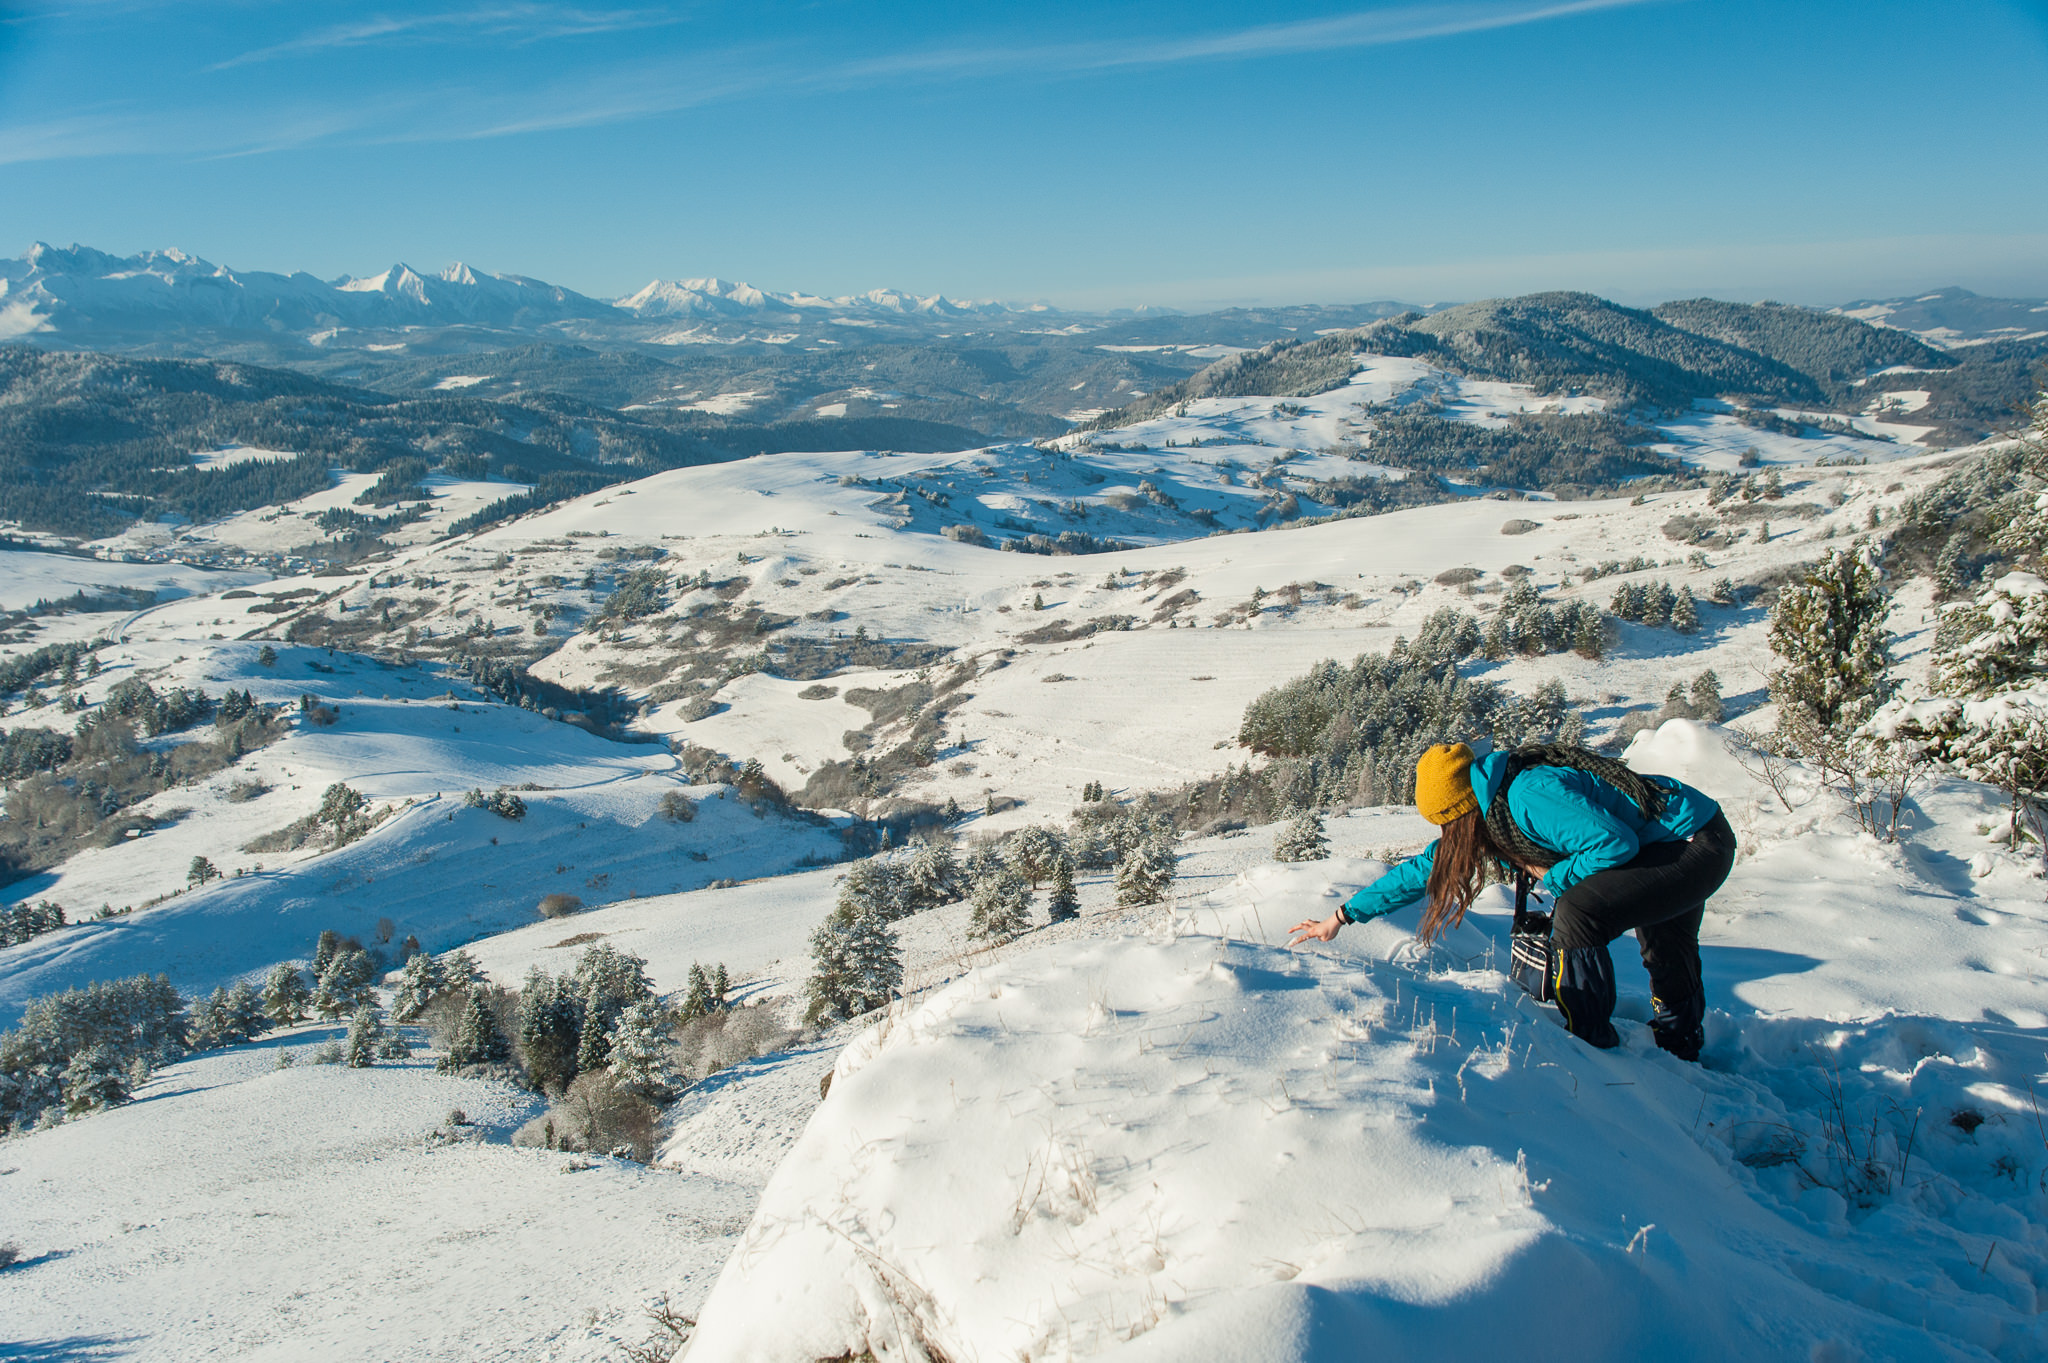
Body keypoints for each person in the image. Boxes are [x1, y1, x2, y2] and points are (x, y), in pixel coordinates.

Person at [1288, 742, 1735, 1061]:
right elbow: (1425, 870)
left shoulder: (1526, 797)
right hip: (1676, 837)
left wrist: (1551, 875)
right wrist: (1341, 917)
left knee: (1580, 912)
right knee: (1665, 945)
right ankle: (1680, 1047)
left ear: (1459, 810)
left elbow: (1614, 845)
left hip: (1693, 841)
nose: (1448, 835)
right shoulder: (1492, 804)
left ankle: (1591, 1043)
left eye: (1446, 824)